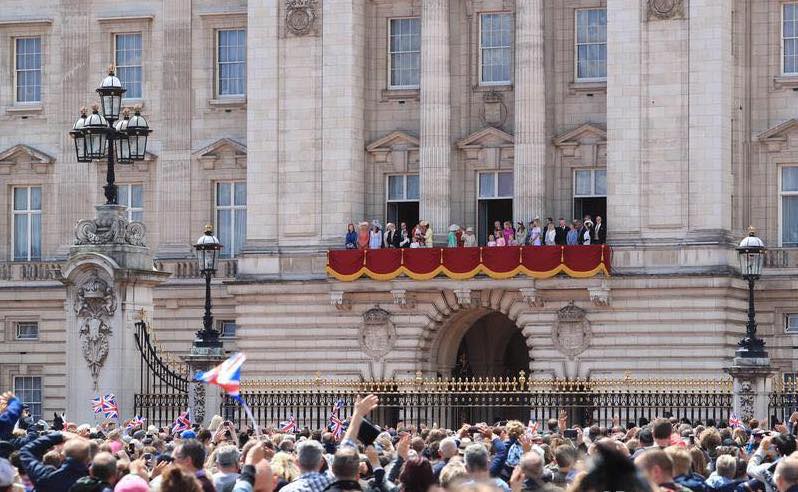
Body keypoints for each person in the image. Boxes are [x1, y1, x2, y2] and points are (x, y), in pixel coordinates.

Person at [20, 432, 91, 492]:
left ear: (62, 456)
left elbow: (25, 451)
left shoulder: (45, 476)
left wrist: (58, 436)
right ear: (88, 458)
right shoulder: (95, 481)